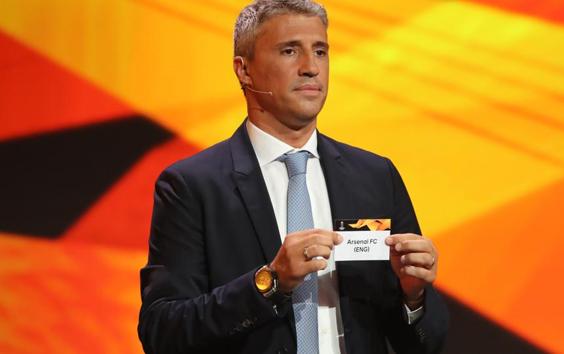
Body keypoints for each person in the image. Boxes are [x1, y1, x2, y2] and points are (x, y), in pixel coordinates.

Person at [138, 1, 449, 353]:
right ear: (244, 70)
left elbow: (427, 342)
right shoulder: (192, 186)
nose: (311, 67)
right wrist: (270, 282)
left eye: (320, 51)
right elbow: (162, 331)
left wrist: (413, 296)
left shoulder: (375, 176)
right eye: (290, 51)